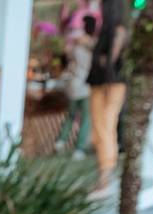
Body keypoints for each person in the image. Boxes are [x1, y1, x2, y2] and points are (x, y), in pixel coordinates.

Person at [87, 0, 129, 193]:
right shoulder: (107, 30)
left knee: (105, 125)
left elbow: (111, 59)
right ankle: (103, 174)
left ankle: (105, 175)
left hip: (109, 84)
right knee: (100, 127)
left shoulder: (117, 30)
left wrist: (107, 69)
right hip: (102, 83)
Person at [56, 15, 98, 160]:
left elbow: (66, 59)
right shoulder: (93, 45)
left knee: (71, 115)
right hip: (86, 85)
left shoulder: (75, 43)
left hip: (73, 84)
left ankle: (61, 141)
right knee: (85, 118)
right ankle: (79, 148)